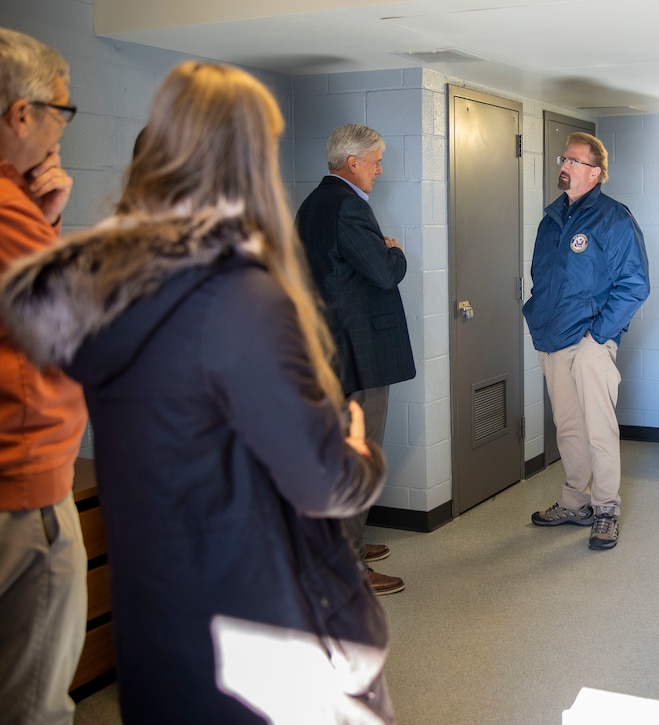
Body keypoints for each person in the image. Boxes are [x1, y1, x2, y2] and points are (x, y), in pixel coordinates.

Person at [1, 61, 395, 723]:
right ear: (246, 161)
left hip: (157, 618)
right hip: (256, 622)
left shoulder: (98, 294)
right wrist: (359, 450)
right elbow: (324, 480)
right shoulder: (240, 299)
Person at [0, 27, 88, 724]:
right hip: (20, 484)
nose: (63, 127)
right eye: (61, 110)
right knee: (34, 702)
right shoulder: (6, 211)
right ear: (20, 114)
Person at [295, 123, 415, 596]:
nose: (380, 170)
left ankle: (351, 548)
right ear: (353, 163)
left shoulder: (312, 205)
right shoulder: (348, 207)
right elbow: (383, 274)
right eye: (376, 161)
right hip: (354, 355)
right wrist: (397, 253)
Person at [524, 131, 650, 550]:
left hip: (591, 341)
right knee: (569, 428)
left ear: (595, 173)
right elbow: (543, 278)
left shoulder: (614, 219)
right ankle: (576, 502)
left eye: (574, 161)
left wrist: (599, 336)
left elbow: (634, 284)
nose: (564, 165)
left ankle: (606, 508)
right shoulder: (552, 218)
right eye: (564, 158)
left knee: (599, 428)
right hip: (552, 340)